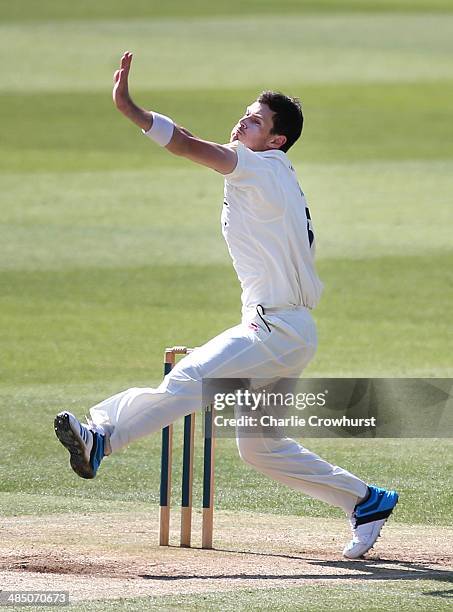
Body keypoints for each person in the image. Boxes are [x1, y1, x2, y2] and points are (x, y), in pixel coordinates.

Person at [54, 51, 398, 559]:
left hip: (274, 329)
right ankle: (366, 501)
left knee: (191, 380)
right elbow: (204, 144)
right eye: (246, 113)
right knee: (260, 448)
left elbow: (189, 144)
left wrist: (129, 109)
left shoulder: (257, 167)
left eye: (256, 120)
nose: (244, 121)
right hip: (288, 330)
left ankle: (103, 435)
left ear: (275, 139)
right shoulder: (271, 171)